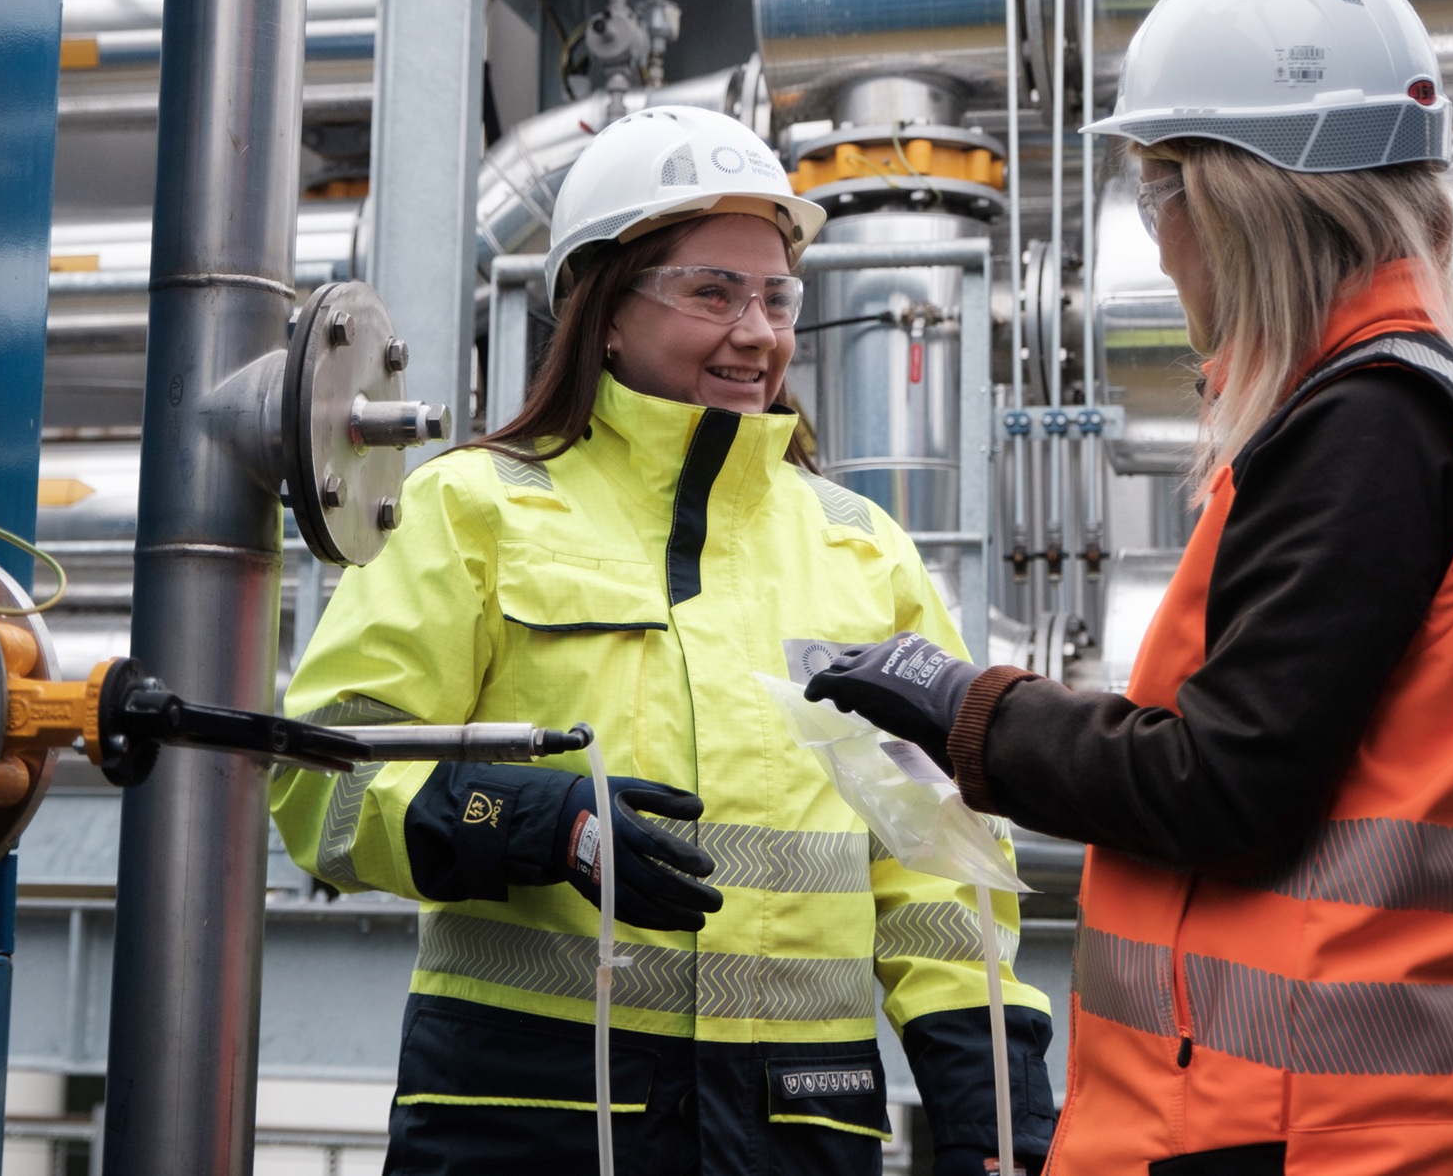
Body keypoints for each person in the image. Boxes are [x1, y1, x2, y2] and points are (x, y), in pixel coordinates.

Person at [809, 0, 1453, 1176]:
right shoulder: (1385, 414)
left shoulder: (1365, 426)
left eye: (1157, 193)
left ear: (1241, 199)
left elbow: (1222, 782)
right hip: (1286, 1121)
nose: (1156, 243)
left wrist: (967, 711)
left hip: (1288, 1130)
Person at [272, 104, 1057, 1176]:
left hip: (796, 1126)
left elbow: (940, 868)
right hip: (530, 1115)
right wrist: (535, 820)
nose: (758, 330)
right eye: (711, 292)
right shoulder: (473, 510)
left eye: (776, 296)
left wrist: (994, 1114)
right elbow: (325, 777)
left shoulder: (861, 552)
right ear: (602, 309)